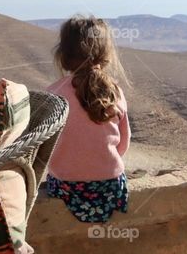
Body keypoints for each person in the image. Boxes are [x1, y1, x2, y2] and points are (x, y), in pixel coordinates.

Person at [46, 16, 131, 223]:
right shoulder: (115, 92)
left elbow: (44, 146)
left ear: (63, 54)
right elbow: (123, 144)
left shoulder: (52, 94)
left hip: (66, 187)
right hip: (110, 186)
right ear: (105, 54)